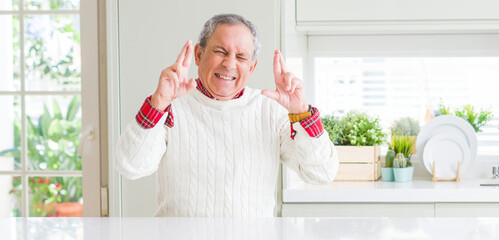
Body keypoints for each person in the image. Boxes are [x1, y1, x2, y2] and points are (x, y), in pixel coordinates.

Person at [114, 13, 338, 217]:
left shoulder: (272, 110)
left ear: (251, 67)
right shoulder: (169, 106)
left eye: (241, 57)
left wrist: (301, 113)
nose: (230, 63)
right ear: (199, 55)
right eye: (220, 51)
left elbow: (321, 173)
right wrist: (158, 104)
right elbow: (129, 166)